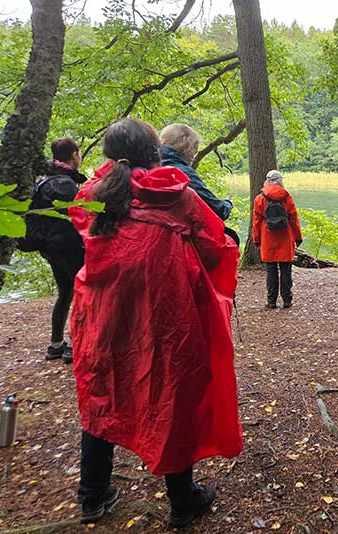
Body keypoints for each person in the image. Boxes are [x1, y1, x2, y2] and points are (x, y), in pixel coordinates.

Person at [68, 118, 242, 528]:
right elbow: (216, 246)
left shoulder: (91, 197)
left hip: (102, 315)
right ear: (154, 152)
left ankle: (92, 496)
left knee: (102, 392)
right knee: (169, 395)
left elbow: (84, 236)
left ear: (109, 156)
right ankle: (183, 500)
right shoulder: (175, 196)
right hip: (165, 317)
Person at [26, 138, 87, 364]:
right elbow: (78, 217)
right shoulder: (64, 183)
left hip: (50, 247)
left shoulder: (45, 179)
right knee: (82, 294)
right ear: (73, 154)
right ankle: (72, 345)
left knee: (65, 293)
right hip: (68, 248)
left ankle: (55, 345)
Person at [159, 123, 239, 245]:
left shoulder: (149, 166)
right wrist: (228, 203)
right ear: (187, 148)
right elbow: (216, 209)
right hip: (177, 243)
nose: (193, 156)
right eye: (194, 150)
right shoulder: (183, 173)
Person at [252, 170, 302, 309]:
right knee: (286, 269)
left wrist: (256, 239)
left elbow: (256, 221)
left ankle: (271, 301)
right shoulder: (286, 197)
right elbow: (293, 219)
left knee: (271, 269)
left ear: (267, 180)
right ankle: (287, 300)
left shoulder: (260, 198)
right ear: (280, 180)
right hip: (286, 237)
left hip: (267, 237)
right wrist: (298, 237)